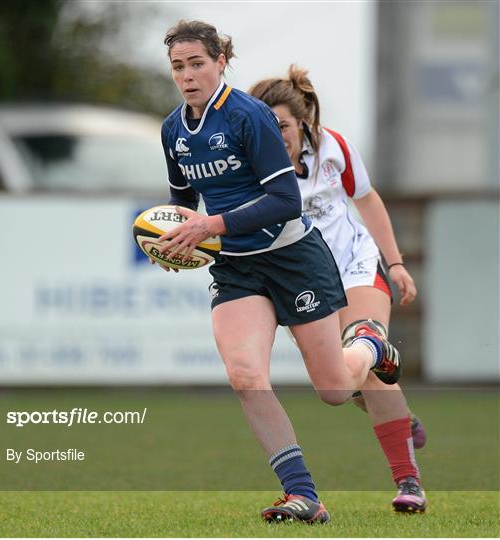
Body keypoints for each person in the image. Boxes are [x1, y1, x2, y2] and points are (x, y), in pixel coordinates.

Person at [156, 20, 403, 524]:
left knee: (334, 390)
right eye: (178, 66)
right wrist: (176, 237)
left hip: (293, 256)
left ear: (221, 61)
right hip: (236, 268)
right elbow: (183, 201)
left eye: (197, 63)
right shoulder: (173, 129)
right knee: (246, 376)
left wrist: (212, 223)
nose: (187, 75)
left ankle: (372, 345)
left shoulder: (249, 117)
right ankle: (303, 496)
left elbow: (286, 200)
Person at [249, 65, 427, 513]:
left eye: (283, 126)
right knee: (341, 385)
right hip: (303, 281)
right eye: (266, 126)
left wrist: (397, 263)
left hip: (356, 266)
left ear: (302, 124)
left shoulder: (333, 148)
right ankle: (398, 413)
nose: (276, 135)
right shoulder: (247, 165)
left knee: (362, 355)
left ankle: (409, 482)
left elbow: (367, 199)